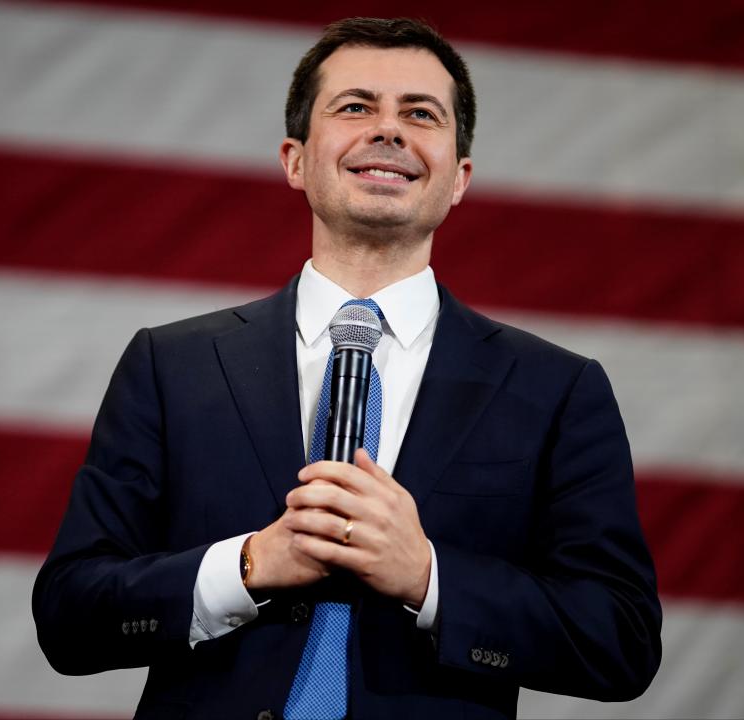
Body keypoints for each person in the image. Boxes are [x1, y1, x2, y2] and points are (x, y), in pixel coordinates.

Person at [33, 17, 661, 719]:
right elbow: (69, 615)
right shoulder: (170, 365)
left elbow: (621, 639)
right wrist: (248, 567)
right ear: (295, 159)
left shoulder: (557, 390)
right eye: (356, 106)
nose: (389, 131)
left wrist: (427, 576)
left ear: (458, 178)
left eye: (420, 114)